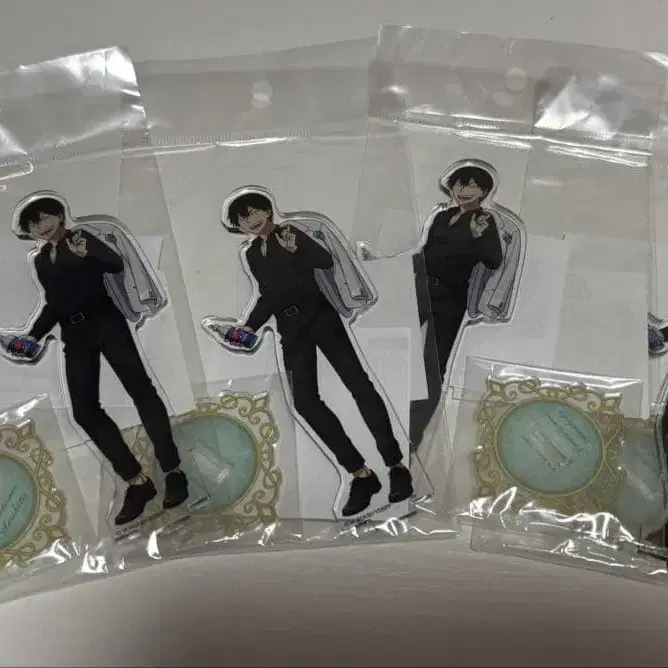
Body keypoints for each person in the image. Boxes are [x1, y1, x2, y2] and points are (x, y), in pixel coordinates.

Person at [225, 191, 413, 517]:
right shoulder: (253, 253)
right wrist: (248, 328)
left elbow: (325, 261)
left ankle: (395, 465)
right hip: (290, 330)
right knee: (305, 402)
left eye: (254, 211)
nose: (251, 220)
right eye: (243, 218)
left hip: (321, 318)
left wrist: (297, 249)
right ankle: (360, 474)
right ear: (238, 226)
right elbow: (268, 295)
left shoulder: (290, 233)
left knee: (359, 385)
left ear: (268, 210)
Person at [10, 196, 189, 526]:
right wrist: (33, 336)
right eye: (33, 224)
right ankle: (137, 481)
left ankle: (173, 470)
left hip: (106, 322)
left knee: (141, 391)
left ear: (60, 215)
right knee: (83, 411)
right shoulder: (42, 260)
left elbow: (116, 264)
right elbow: (53, 303)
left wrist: (87, 253)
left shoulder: (81, 239)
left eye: (45, 217)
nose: (41, 226)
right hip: (74, 334)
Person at [409, 165, 505, 446]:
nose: (464, 191)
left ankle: (414, 432)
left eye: (472, 185)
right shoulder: (442, 216)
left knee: (434, 365)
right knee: (396, 346)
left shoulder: (484, 220)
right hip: (420, 288)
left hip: (450, 297)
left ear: (484, 191)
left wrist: (477, 237)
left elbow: (494, 260)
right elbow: (425, 252)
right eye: (460, 184)